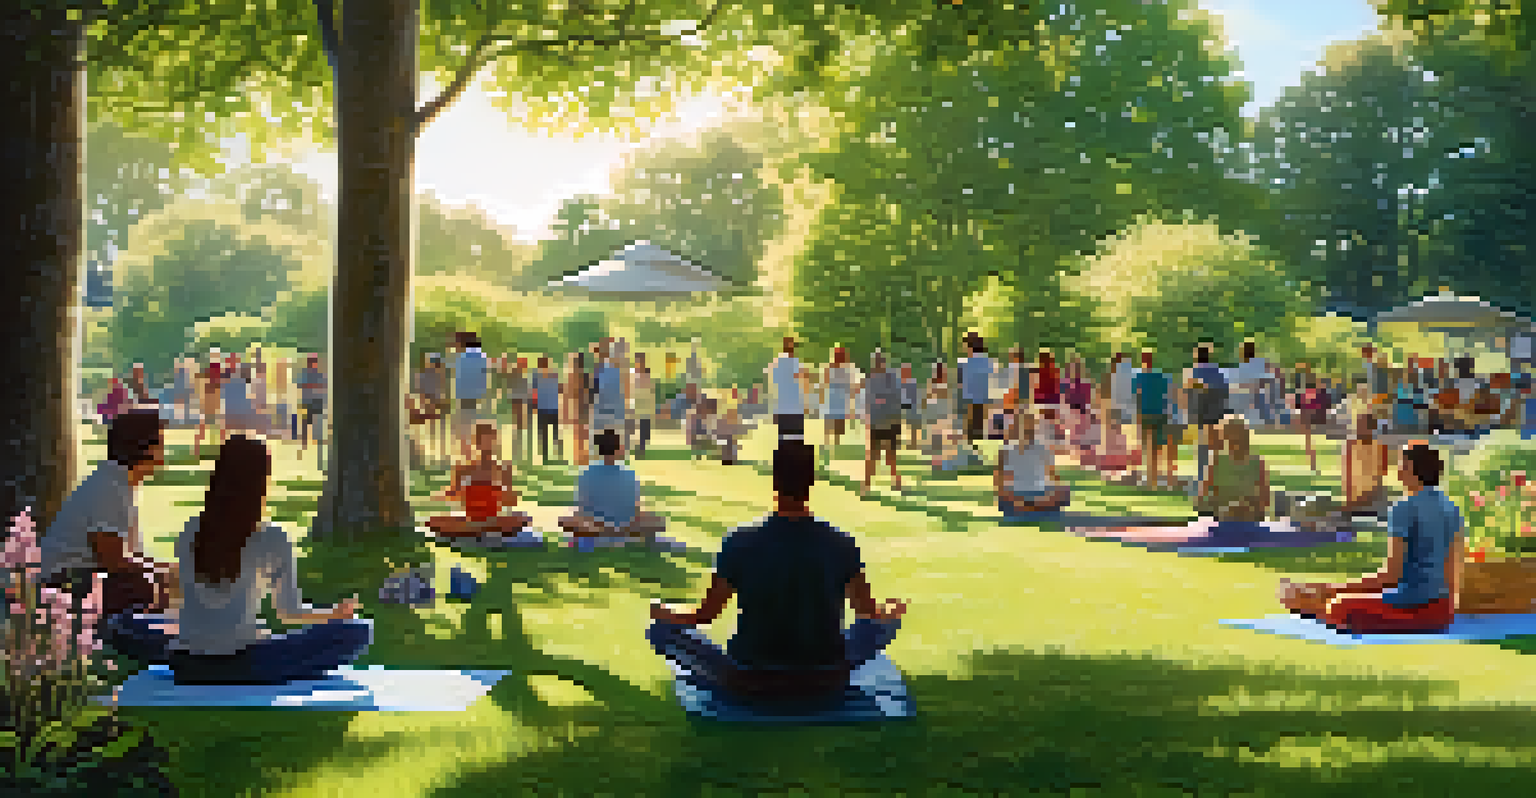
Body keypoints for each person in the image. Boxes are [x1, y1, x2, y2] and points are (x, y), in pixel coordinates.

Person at [646, 440, 907, 701]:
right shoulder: (842, 542)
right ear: (811, 481)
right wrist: (889, 613)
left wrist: (665, 612)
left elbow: (704, 616)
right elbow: (868, 614)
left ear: (774, 481)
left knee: (659, 630)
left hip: (749, 679)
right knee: (883, 626)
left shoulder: (738, 541)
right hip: (826, 680)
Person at [115, 435, 372, 684]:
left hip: (187, 663)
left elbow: (182, 599)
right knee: (358, 631)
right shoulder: (273, 536)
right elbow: (288, 612)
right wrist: (335, 613)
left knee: (123, 624)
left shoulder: (190, 530)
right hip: (248, 663)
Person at [1280, 442, 1464, 634]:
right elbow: (1454, 568)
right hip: (1442, 613)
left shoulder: (1404, 508)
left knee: (1339, 605)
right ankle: (1313, 603)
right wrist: (1450, 609)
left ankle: (1308, 606)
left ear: (1410, 468)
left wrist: (1332, 590)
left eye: (1401, 464)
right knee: (1346, 599)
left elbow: (1391, 576)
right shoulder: (1451, 508)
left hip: (1414, 608)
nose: (1397, 469)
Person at [40, 409, 181, 641]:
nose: (165, 453)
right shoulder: (110, 488)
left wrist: (166, 569)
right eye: (161, 444)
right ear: (144, 447)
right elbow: (112, 560)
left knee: (157, 580)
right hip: (64, 583)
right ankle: (114, 635)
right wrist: (160, 573)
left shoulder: (119, 483)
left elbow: (127, 555)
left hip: (81, 577)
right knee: (143, 585)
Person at [425, 422, 532, 539]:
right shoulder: (464, 469)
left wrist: (507, 494)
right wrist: (448, 493)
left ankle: (478, 530)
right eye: (484, 442)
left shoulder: (503, 469)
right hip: (471, 520)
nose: (487, 447)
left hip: (493, 520)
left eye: (491, 442)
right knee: (435, 521)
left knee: (522, 518)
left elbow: (510, 501)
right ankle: (476, 530)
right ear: (476, 443)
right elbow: (452, 495)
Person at [559, 429, 667, 543]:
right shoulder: (629, 475)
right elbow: (635, 510)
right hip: (623, 527)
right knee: (656, 520)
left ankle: (601, 533)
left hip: (592, 527)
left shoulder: (586, 474)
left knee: (568, 519)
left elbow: (582, 508)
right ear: (618, 449)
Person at [1193, 415, 1270, 522]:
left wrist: (1250, 510)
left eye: (1239, 439)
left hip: (1251, 520)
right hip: (1222, 520)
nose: (1235, 444)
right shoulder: (1216, 462)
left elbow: (1265, 500)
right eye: (1231, 439)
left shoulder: (1257, 463)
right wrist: (1224, 510)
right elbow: (1202, 500)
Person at [996, 412, 1071, 516]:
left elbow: (1053, 476)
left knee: (1063, 491)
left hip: (1034, 494)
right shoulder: (1007, 451)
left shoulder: (1042, 448)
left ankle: (1028, 507)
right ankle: (1034, 507)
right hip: (1022, 495)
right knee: (1060, 493)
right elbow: (1001, 483)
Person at [859, 350, 904, 494]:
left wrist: (883, 400)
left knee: (891, 455)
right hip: (876, 421)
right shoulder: (870, 380)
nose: (879, 364)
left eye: (880, 361)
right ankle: (866, 485)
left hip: (891, 420)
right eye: (877, 361)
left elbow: (898, 396)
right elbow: (866, 400)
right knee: (873, 455)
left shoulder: (892, 378)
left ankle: (896, 481)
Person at [1186, 344, 1229, 488]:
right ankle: (1217, 473)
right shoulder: (1217, 371)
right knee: (1216, 444)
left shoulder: (1194, 372)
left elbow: (1190, 393)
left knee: (1203, 444)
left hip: (1202, 411)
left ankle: (1202, 475)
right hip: (1217, 410)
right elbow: (1225, 391)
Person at [1132, 351, 1173, 490]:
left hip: (1145, 414)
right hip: (1159, 413)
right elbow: (1166, 393)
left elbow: (1136, 397)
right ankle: (1154, 477)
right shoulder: (1160, 376)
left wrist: (1137, 415)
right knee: (1155, 447)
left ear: (1142, 361)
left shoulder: (1138, 377)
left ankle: (1149, 477)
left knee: (1146, 447)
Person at [1342, 412, 1395, 516]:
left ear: (1372, 428)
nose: (1358, 429)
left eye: (1362, 425)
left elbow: (1383, 472)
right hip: (1356, 499)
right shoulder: (1351, 446)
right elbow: (1348, 475)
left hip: (1374, 498)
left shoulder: (1381, 447)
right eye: (1358, 425)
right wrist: (1349, 500)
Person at [449, 334, 490, 460]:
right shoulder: (482, 356)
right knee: (474, 423)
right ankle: (475, 451)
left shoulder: (461, 357)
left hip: (465, 395)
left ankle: (467, 452)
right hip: (477, 395)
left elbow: (458, 377)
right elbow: (484, 377)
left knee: (464, 424)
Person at [766, 337, 809, 441]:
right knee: (794, 435)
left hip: (786, 404)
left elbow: (774, 383)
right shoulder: (794, 363)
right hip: (792, 405)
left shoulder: (779, 363)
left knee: (785, 435)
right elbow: (803, 380)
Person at [821, 347, 856, 455]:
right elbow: (849, 386)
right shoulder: (845, 370)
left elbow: (825, 382)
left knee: (831, 421)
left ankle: (828, 442)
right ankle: (834, 442)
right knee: (837, 422)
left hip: (833, 397)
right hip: (839, 398)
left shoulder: (831, 368)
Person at [960, 334, 994, 444]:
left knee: (971, 423)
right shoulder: (987, 361)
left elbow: (961, 380)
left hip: (970, 396)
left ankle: (971, 441)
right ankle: (977, 440)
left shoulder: (965, 362)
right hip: (982, 396)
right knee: (979, 423)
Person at [533, 356, 563, 464]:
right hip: (552, 408)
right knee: (555, 434)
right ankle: (558, 455)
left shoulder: (536, 376)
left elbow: (533, 392)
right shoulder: (553, 374)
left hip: (543, 409)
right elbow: (560, 389)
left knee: (544, 434)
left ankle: (546, 456)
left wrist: (534, 405)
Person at [564, 351, 591, 467]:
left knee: (580, 433)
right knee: (582, 433)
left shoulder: (574, 376)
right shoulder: (583, 376)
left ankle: (581, 457)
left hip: (580, 406)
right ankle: (581, 457)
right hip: (581, 406)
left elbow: (568, 394)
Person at [296, 354, 327, 454]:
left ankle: (317, 442)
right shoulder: (306, 374)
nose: (314, 364)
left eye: (315, 362)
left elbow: (323, 387)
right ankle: (304, 442)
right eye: (313, 362)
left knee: (317, 422)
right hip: (309, 401)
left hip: (316, 401)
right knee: (306, 422)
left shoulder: (319, 374)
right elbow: (301, 385)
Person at [630, 352, 656, 456]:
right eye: (638, 361)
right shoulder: (632, 373)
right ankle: (636, 448)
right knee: (633, 429)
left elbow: (651, 391)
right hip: (635, 406)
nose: (639, 363)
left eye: (641, 361)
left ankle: (641, 449)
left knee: (644, 431)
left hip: (645, 407)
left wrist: (652, 407)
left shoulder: (647, 374)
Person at [900, 363, 921, 450]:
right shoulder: (899, 382)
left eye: (907, 370)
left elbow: (914, 397)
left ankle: (913, 442)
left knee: (913, 423)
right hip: (900, 405)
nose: (905, 372)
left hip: (911, 405)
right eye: (904, 370)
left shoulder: (912, 382)